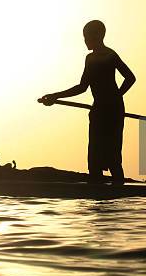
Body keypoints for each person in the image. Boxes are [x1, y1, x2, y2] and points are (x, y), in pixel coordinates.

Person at [39, 20, 136, 184]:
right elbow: (82, 87)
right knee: (95, 153)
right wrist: (55, 96)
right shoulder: (89, 58)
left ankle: (117, 187)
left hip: (113, 111)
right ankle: (96, 187)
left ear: (98, 36)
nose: (85, 41)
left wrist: (116, 97)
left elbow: (130, 78)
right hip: (98, 109)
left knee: (112, 152)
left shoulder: (110, 55)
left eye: (87, 37)